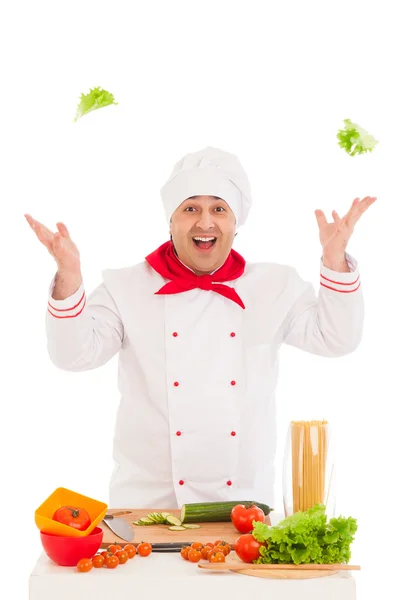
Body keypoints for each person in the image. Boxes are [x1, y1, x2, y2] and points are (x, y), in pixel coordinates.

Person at [24, 146, 376, 510]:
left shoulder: (275, 285)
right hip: (146, 506)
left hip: (243, 507)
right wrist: (69, 274)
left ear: (235, 224)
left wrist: (334, 261)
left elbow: (338, 338)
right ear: (171, 221)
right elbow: (73, 356)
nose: (205, 223)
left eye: (219, 209)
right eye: (190, 208)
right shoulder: (124, 287)